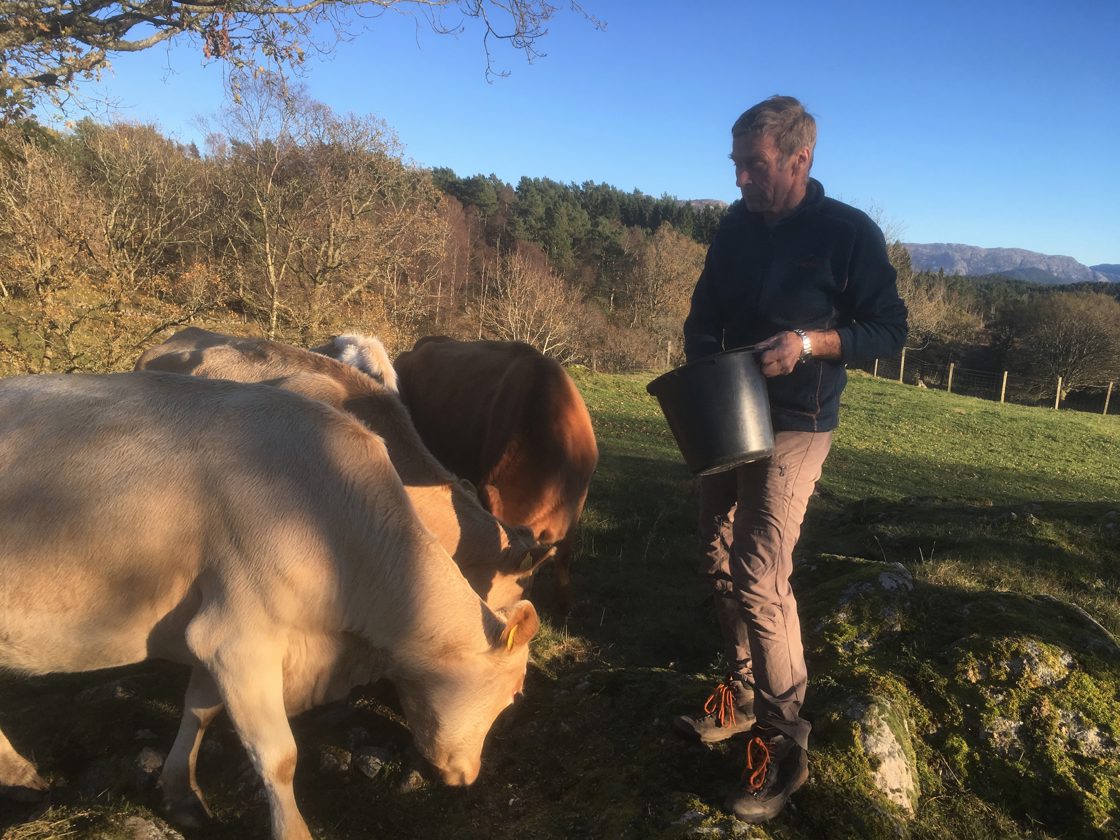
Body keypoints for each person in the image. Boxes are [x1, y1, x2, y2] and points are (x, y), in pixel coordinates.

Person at [674, 95, 908, 822]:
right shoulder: (734, 228)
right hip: (727, 411)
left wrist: (807, 344)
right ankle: (742, 695)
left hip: (799, 420)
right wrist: (703, 368)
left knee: (758, 570)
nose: (739, 178)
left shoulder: (847, 234)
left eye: (755, 165)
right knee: (714, 550)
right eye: (737, 164)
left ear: (799, 160)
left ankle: (785, 745)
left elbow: (888, 330)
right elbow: (703, 314)